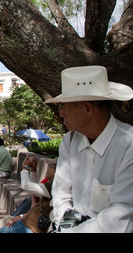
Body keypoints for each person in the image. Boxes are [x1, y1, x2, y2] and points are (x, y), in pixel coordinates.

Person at [45, 65, 133, 233]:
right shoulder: (69, 141)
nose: (61, 114)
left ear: (87, 108)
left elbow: (120, 216)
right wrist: (65, 225)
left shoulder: (129, 146)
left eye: (65, 107)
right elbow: (60, 195)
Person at [0, 158, 56, 233]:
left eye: (51, 166)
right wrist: (33, 171)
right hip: (26, 223)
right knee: (5, 221)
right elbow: (34, 191)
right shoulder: (52, 185)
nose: (48, 168)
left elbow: (26, 185)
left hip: (30, 228)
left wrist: (24, 168)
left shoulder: (54, 186)